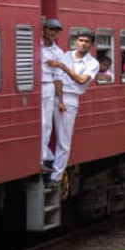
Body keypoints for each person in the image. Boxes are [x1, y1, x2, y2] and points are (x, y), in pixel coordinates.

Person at [46, 30, 100, 184]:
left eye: (87, 41)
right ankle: (48, 157)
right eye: (81, 40)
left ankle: (56, 176)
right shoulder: (65, 55)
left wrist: (63, 67)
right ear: (76, 41)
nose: (83, 43)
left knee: (63, 140)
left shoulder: (92, 63)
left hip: (70, 99)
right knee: (43, 127)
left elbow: (81, 80)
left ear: (91, 45)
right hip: (55, 94)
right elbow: (55, 74)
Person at [40, 19, 64, 173]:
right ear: (44, 29)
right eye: (50, 29)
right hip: (34, 86)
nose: (53, 33)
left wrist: (60, 99)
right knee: (40, 123)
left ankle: (42, 157)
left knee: (46, 124)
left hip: (48, 86)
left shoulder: (58, 52)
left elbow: (58, 77)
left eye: (56, 30)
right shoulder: (36, 46)